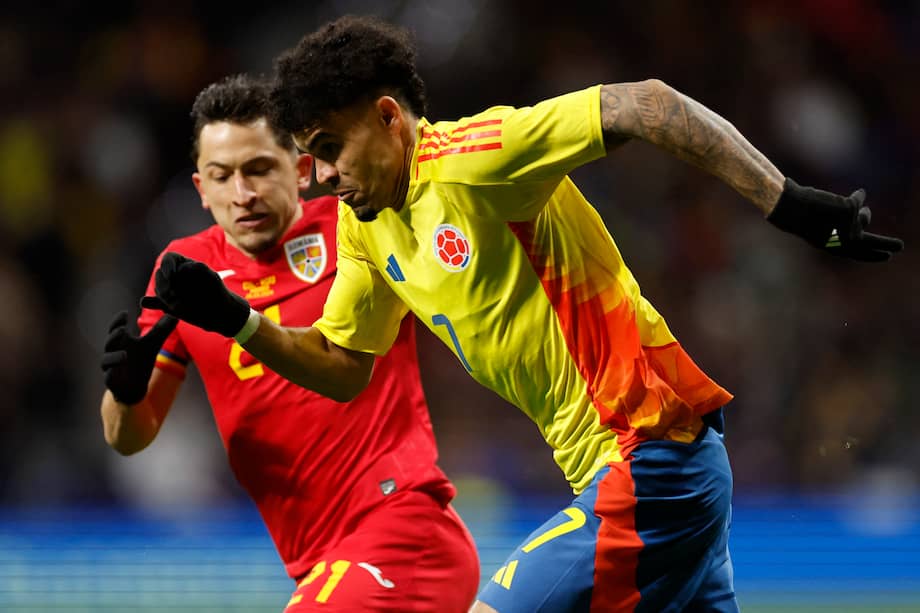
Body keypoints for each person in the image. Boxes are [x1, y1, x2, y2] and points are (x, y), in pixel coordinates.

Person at [140, 16, 904, 613]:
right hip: (627, 470)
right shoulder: (367, 230)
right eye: (312, 158)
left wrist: (791, 204)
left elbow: (648, 104)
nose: (326, 176)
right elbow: (341, 368)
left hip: (652, 453)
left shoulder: (478, 157)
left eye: (332, 149)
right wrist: (238, 320)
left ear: (388, 118)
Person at [99, 73, 480, 613]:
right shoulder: (182, 273)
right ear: (201, 191)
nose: (243, 193)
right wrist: (126, 390)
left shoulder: (355, 225)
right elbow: (127, 437)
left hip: (402, 526)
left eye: (258, 169)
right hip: (315, 560)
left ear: (302, 169)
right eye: (221, 176)